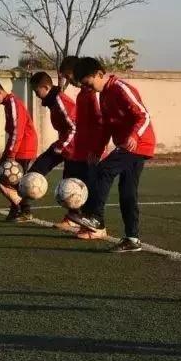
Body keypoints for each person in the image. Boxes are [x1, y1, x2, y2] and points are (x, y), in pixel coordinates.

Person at [68, 57, 155, 253]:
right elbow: (106, 126)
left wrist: (133, 135)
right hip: (129, 146)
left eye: (88, 83)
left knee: (104, 170)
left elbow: (144, 115)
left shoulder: (120, 88)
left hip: (138, 144)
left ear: (99, 74)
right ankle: (132, 239)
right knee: (127, 193)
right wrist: (98, 149)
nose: (87, 88)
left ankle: (95, 218)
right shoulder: (103, 95)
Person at [28, 70, 82, 229]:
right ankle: (21, 204)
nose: (36, 94)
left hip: (74, 147)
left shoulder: (60, 101)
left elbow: (74, 127)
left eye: (36, 91)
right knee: (38, 167)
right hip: (65, 143)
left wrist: (62, 146)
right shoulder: (53, 101)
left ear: (45, 87)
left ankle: (74, 217)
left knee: (69, 184)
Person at [0, 79, 38, 221]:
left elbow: (18, 131)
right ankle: (17, 208)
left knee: (15, 179)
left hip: (23, 147)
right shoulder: (8, 103)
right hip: (18, 146)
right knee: (3, 174)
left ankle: (24, 210)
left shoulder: (13, 103)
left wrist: (11, 154)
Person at [60, 55, 105, 232]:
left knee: (90, 188)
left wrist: (96, 149)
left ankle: (96, 226)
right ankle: (77, 220)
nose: (69, 81)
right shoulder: (82, 95)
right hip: (80, 151)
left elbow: (100, 123)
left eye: (69, 76)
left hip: (91, 152)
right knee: (75, 184)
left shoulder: (93, 95)